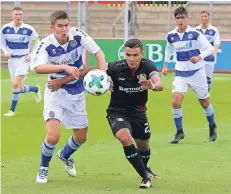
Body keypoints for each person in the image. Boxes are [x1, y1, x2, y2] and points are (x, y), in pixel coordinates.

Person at [30, 10, 106, 184]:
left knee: (81, 137)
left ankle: (64, 155)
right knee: (52, 136)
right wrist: (64, 67)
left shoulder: (77, 36)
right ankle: (43, 168)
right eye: (60, 26)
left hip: (77, 91)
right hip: (55, 93)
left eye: (66, 25)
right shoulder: (46, 44)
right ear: (52, 27)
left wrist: (103, 76)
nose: (64, 29)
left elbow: (99, 53)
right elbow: (38, 68)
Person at [106, 39, 163, 188]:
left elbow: (159, 84)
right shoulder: (115, 67)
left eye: (135, 55)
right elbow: (92, 70)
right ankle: (145, 177)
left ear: (142, 54)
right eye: (128, 54)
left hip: (139, 113)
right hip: (117, 111)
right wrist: (103, 78)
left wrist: (152, 86)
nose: (131, 58)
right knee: (125, 138)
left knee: (143, 145)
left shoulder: (147, 65)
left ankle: (145, 169)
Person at [162, 7, 218, 144]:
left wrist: (199, 57)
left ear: (187, 19)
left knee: (204, 102)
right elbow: (168, 48)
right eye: (177, 18)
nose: (180, 20)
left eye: (182, 17)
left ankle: (212, 125)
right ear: (175, 20)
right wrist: (165, 65)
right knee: (175, 102)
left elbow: (209, 48)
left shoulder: (195, 34)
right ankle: (179, 132)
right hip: (180, 73)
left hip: (197, 72)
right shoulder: (171, 35)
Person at [1, 7, 41, 117]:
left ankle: (12, 110)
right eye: (16, 14)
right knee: (18, 87)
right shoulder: (5, 29)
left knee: (15, 84)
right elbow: (2, 43)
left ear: (22, 16)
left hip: (24, 60)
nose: (18, 16)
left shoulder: (29, 29)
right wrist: (5, 52)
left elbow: (38, 43)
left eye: (20, 14)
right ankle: (35, 89)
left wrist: (31, 55)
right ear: (12, 15)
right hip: (12, 61)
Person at [195, 10, 220, 92]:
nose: (204, 18)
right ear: (199, 18)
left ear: (208, 17)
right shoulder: (196, 30)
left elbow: (217, 43)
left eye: (205, 16)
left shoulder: (214, 30)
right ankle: (201, 93)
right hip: (199, 57)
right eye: (202, 16)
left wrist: (214, 51)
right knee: (199, 76)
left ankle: (206, 94)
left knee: (208, 78)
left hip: (209, 58)